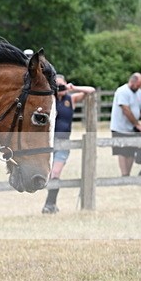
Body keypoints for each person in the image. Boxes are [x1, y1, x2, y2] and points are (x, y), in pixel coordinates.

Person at [41, 75, 95, 214]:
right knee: (46, 175)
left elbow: (91, 91)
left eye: (62, 85)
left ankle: (50, 204)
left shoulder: (71, 99)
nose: (60, 88)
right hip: (48, 143)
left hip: (64, 143)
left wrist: (73, 88)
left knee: (56, 173)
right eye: (57, 86)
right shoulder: (49, 101)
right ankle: (51, 204)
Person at [109, 73, 141, 177]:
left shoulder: (139, 92)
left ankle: (128, 174)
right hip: (120, 127)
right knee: (122, 151)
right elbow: (126, 110)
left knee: (131, 151)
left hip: (132, 129)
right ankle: (124, 174)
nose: (140, 87)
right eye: (138, 84)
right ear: (133, 82)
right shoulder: (122, 91)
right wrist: (137, 124)